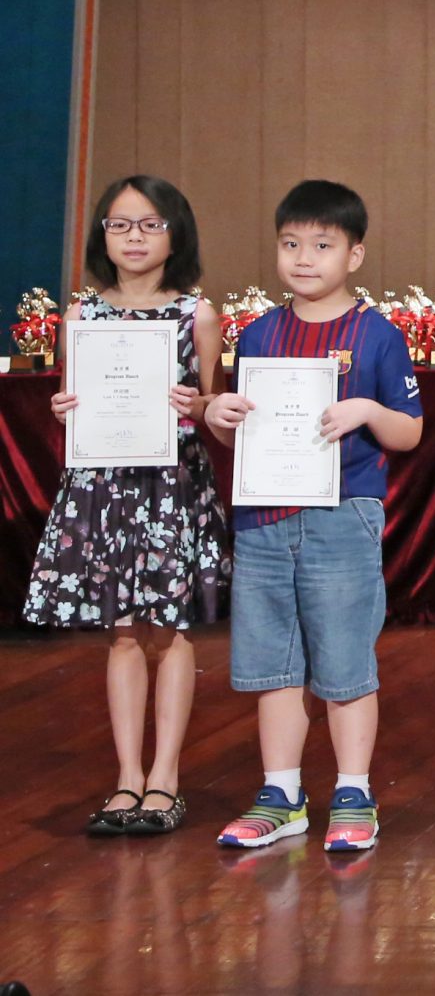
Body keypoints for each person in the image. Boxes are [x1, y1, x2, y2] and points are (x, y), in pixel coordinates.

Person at [203, 180, 425, 853]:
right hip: (264, 516)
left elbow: (410, 432)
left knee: (344, 658)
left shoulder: (377, 335)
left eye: (322, 245)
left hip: (342, 514)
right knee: (272, 660)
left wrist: (368, 411)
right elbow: (241, 432)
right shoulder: (259, 333)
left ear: (354, 256)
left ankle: (354, 792)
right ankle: (282, 795)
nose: (304, 258)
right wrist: (218, 416)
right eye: (291, 243)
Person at [24, 175, 228, 837]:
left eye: (149, 224)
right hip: (104, 486)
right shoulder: (80, 317)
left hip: (171, 486)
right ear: (102, 235)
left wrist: (198, 404)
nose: (133, 237)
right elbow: (77, 405)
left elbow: (216, 410)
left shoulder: (197, 315)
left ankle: (165, 778)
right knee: (120, 632)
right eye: (119, 224)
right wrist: (64, 409)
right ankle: (126, 779)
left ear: (176, 233)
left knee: (170, 630)